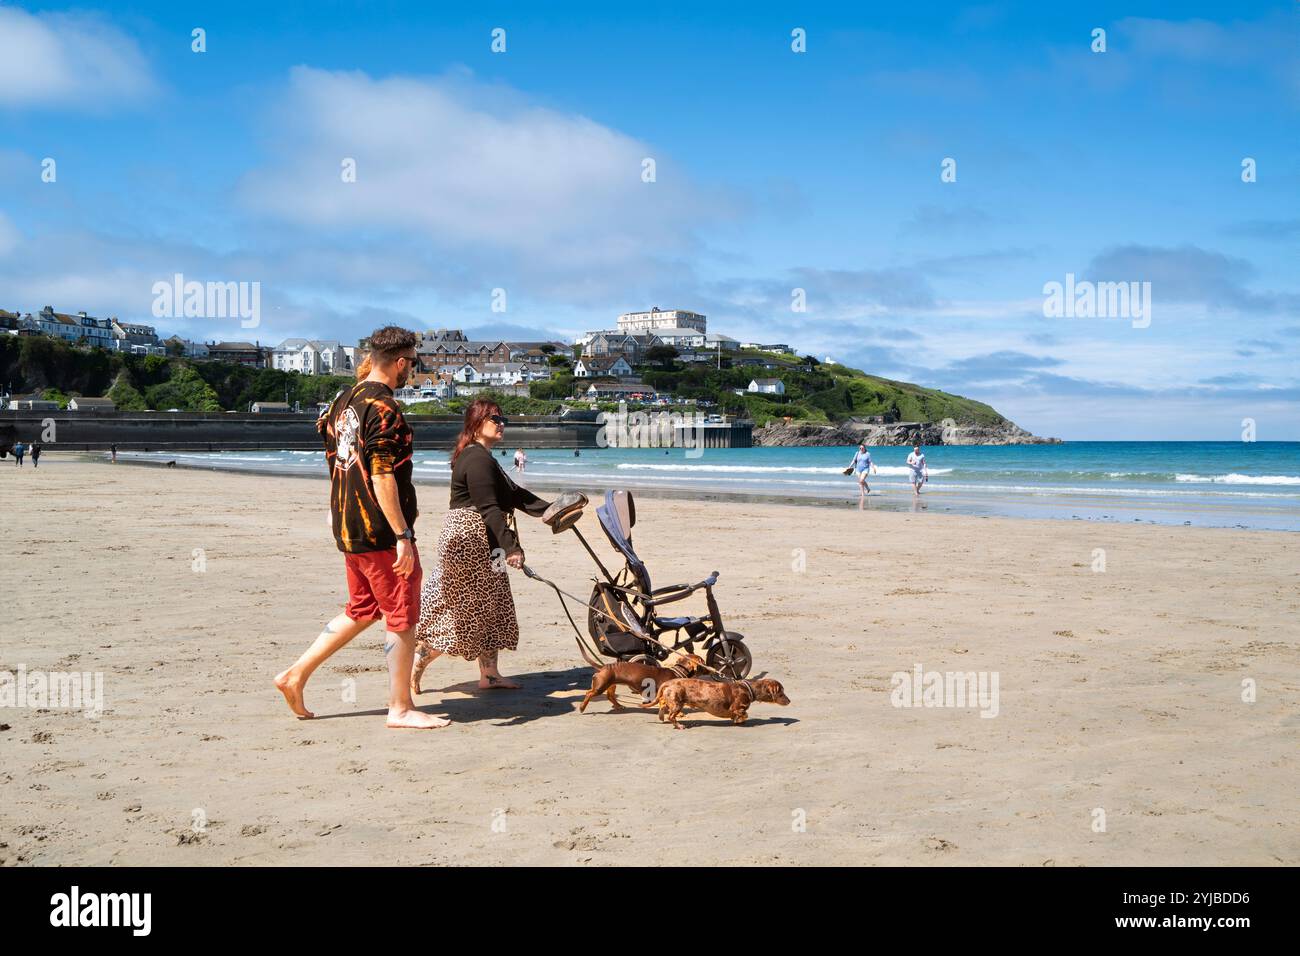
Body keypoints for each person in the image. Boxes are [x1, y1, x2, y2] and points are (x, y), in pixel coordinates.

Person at [275, 326, 445, 729]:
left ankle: (294, 675)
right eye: (413, 364)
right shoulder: (384, 408)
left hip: (348, 525)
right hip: (380, 530)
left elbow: (335, 459)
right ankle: (400, 707)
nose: (412, 372)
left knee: (363, 608)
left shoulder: (342, 401)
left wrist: (343, 511)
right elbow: (382, 474)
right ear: (401, 363)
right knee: (401, 615)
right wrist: (403, 535)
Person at [411, 399, 552, 694]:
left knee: (492, 607)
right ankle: (419, 660)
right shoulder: (476, 459)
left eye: (503, 419)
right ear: (476, 424)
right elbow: (488, 507)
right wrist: (512, 548)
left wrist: (550, 511)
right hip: (469, 540)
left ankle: (489, 675)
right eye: (495, 419)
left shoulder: (482, 457)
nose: (501, 424)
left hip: (482, 539)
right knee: (463, 612)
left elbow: (514, 495)